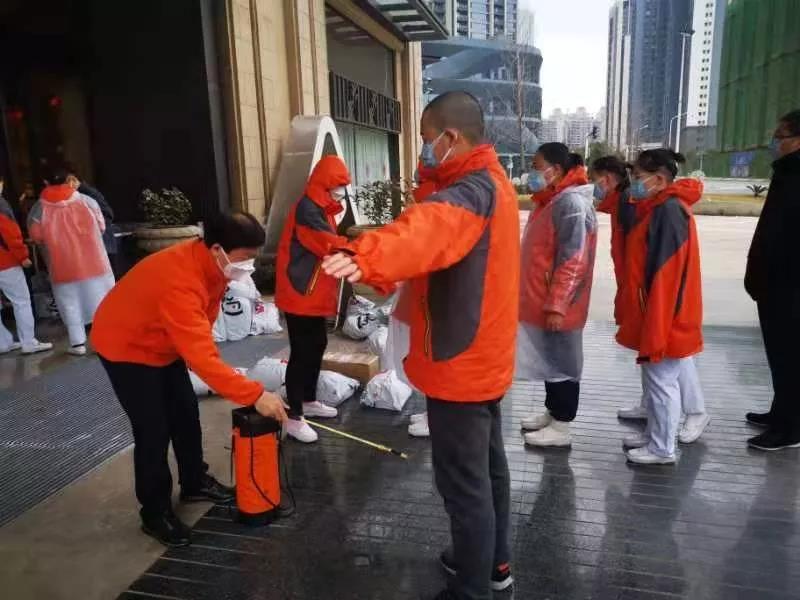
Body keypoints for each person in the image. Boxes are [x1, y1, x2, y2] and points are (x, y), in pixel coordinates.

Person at [323, 91, 519, 600]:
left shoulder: (470, 191)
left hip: (460, 360)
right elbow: (430, 228)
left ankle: (472, 588)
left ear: (451, 137)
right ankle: (491, 563)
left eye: (427, 140)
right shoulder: (491, 182)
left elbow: (423, 230)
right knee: (487, 471)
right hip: (482, 354)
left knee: (463, 484)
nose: (422, 151)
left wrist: (365, 253)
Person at [91, 212, 288, 547]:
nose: (250, 265)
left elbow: (199, 333)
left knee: (184, 412)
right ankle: (154, 513)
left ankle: (194, 482)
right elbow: (203, 358)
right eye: (245, 257)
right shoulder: (180, 281)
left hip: (162, 342)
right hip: (126, 346)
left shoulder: (212, 265)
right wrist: (256, 395)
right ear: (216, 249)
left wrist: (192, 351)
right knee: (153, 430)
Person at [593, 157, 710, 443]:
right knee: (658, 369)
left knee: (669, 365)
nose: (592, 186)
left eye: (593, 179)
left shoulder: (655, 207)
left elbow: (661, 270)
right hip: (643, 297)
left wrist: (649, 309)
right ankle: (655, 424)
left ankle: (683, 423)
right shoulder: (639, 202)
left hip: (657, 305)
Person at [518, 143, 597, 448]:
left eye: (537, 167)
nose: (532, 173)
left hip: (560, 303)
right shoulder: (551, 200)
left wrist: (558, 305)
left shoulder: (571, 203)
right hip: (544, 298)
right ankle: (553, 413)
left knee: (563, 362)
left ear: (557, 170)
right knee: (550, 360)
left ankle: (562, 425)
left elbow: (574, 259)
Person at [274, 155, 352, 443]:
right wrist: (361, 251)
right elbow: (327, 244)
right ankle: (294, 417)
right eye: (339, 184)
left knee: (316, 344)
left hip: (310, 291)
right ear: (325, 184)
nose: (342, 190)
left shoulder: (321, 208)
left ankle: (307, 400)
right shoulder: (309, 209)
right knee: (302, 351)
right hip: (300, 292)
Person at [744, 109, 800, 451]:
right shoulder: (787, 172)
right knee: (780, 354)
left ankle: (790, 429)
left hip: (790, 285)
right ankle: (782, 412)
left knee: (790, 355)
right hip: (776, 283)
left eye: (781, 136)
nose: (775, 142)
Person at [28, 168, 115, 355]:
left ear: (46, 183)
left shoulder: (39, 208)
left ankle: (78, 345)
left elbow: (36, 235)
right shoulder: (86, 201)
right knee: (101, 301)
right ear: (67, 181)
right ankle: (104, 341)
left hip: (62, 266)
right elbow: (101, 226)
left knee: (70, 304)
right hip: (94, 262)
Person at [0, 175, 52, 354]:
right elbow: (11, 234)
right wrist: (23, 256)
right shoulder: (1, 206)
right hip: (5, 263)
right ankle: (28, 342)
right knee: (21, 301)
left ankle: (3, 342)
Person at [66, 171, 119, 265]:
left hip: (103, 245)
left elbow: (108, 214)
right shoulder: (78, 195)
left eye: (66, 183)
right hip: (98, 247)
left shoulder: (88, 193)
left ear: (73, 180)